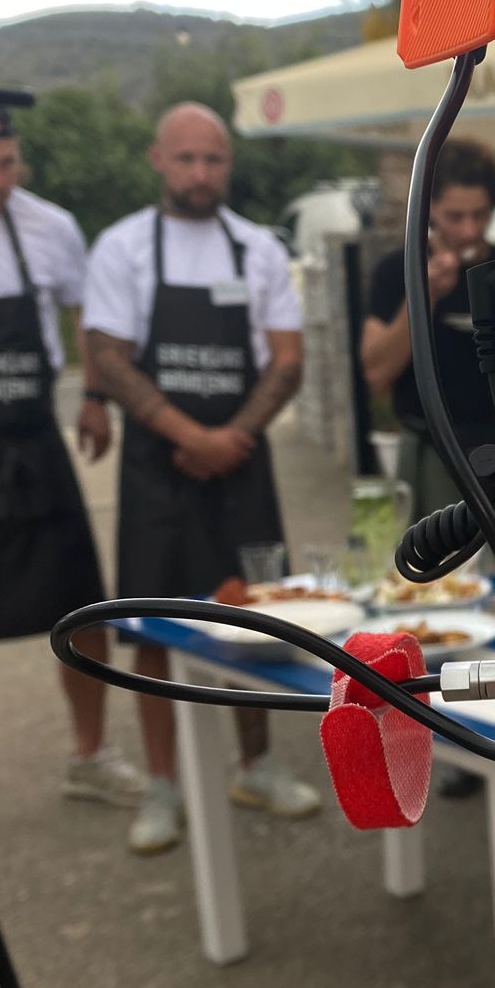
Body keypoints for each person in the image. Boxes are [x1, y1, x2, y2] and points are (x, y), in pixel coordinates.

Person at [84, 103, 319, 854]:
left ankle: (257, 765)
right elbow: (108, 356)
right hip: (158, 468)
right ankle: (164, 783)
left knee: (254, 616)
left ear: (229, 165)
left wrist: (233, 437)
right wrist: (192, 437)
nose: (199, 173)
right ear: (158, 160)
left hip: (241, 465)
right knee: (152, 628)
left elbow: (287, 360)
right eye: (185, 159)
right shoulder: (122, 247)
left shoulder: (256, 248)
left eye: (212, 159)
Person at [0, 80, 145, 837]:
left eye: (7, 163)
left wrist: (94, 397)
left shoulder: (50, 227)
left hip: (33, 439)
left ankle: (91, 755)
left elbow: (84, 315)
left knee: (78, 602)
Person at [359, 140, 495, 517]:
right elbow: (376, 372)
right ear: (429, 212)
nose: (469, 229)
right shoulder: (398, 271)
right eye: (455, 217)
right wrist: (425, 295)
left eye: (480, 215)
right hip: (433, 449)